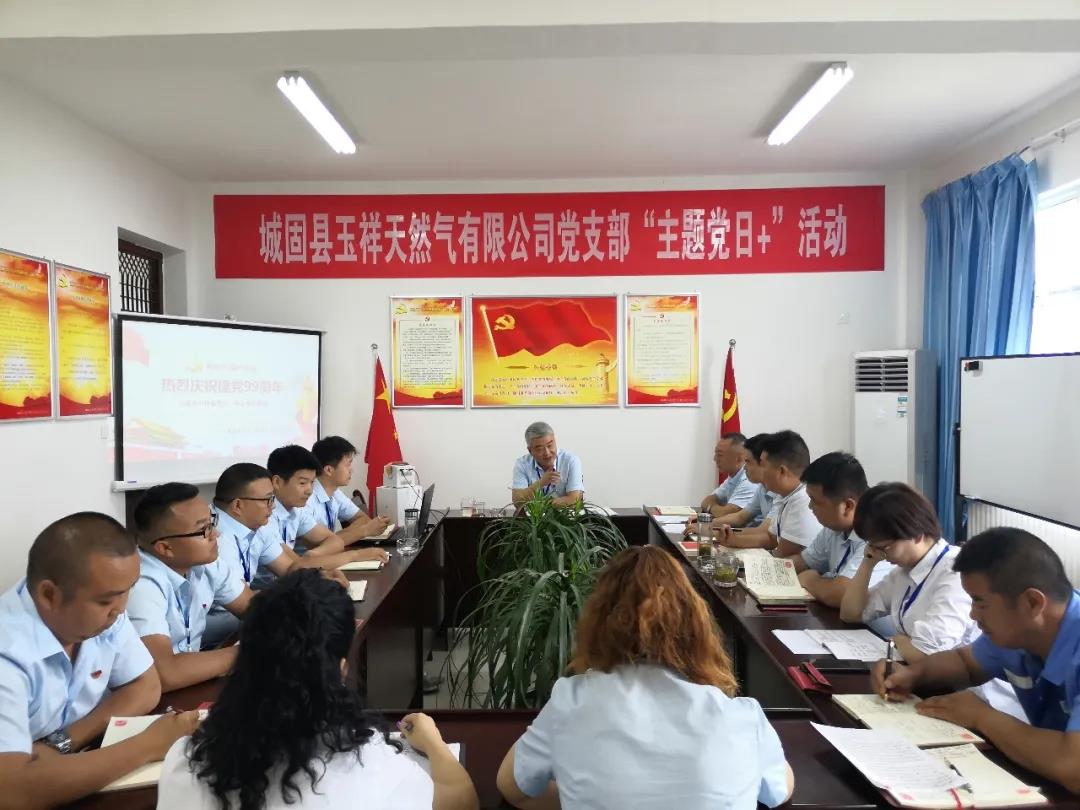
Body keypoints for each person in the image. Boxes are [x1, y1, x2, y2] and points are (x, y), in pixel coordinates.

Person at [496, 545, 793, 810]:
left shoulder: (571, 702)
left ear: (596, 622)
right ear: (697, 625)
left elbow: (513, 788)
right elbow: (779, 789)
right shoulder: (740, 717)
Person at [157, 569, 479, 810]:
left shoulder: (187, 761)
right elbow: (461, 799)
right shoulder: (371, 766)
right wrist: (433, 742)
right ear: (341, 668)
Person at [0, 513, 201, 807]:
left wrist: (65, 741)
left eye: (129, 590)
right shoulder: (8, 651)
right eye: (107, 600)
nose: (120, 610)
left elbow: (145, 685)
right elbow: (11, 790)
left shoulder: (100, 610)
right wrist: (148, 745)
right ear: (49, 595)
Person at [872, 528, 1080, 794]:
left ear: (1032, 602)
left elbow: (1074, 767)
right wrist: (912, 674)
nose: (972, 615)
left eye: (980, 603)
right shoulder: (1018, 632)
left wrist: (983, 717)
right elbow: (964, 663)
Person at [126, 483, 256, 691]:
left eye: (212, 522)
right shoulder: (140, 584)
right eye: (204, 529)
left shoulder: (206, 562)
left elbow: (254, 609)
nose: (216, 534)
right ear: (165, 548)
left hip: (190, 682)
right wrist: (251, 651)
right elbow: (164, 674)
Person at [839, 483, 973, 664]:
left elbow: (927, 656)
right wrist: (868, 562)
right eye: (873, 546)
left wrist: (897, 641)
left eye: (883, 547)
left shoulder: (955, 572)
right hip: (913, 672)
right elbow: (850, 613)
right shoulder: (904, 571)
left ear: (916, 534)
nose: (880, 554)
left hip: (951, 678)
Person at [719, 431, 820, 556]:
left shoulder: (802, 501)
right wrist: (733, 540)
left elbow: (783, 555)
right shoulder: (784, 495)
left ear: (781, 471)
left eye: (763, 465)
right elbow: (771, 538)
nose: (761, 471)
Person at [791, 452, 870, 608]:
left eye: (815, 501)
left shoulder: (878, 533)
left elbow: (843, 594)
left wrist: (810, 581)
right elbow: (804, 562)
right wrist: (765, 568)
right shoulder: (835, 526)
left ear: (847, 506)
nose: (810, 507)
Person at [309, 435, 390, 543]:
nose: (351, 470)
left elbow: (363, 519)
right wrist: (363, 531)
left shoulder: (335, 492)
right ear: (328, 470)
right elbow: (319, 545)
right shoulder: (307, 498)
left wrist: (338, 537)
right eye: (348, 464)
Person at [511, 422, 584, 508]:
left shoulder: (570, 461)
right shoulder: (522, 464)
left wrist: (541, 506)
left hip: (566, 515)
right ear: (530, 451)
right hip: (533, 517)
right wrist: (541, 483)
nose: (547, 453)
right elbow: (517, 501)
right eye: (540, 449)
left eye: (550, 445)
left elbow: (574, 499)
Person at [699, 433, 758, 518]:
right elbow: (707, 501)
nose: (715, 459)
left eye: (720, 455)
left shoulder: (749, 481)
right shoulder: (733, 477)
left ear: (739, 458)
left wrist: (711, 508)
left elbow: (724, 514)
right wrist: (714, 508)